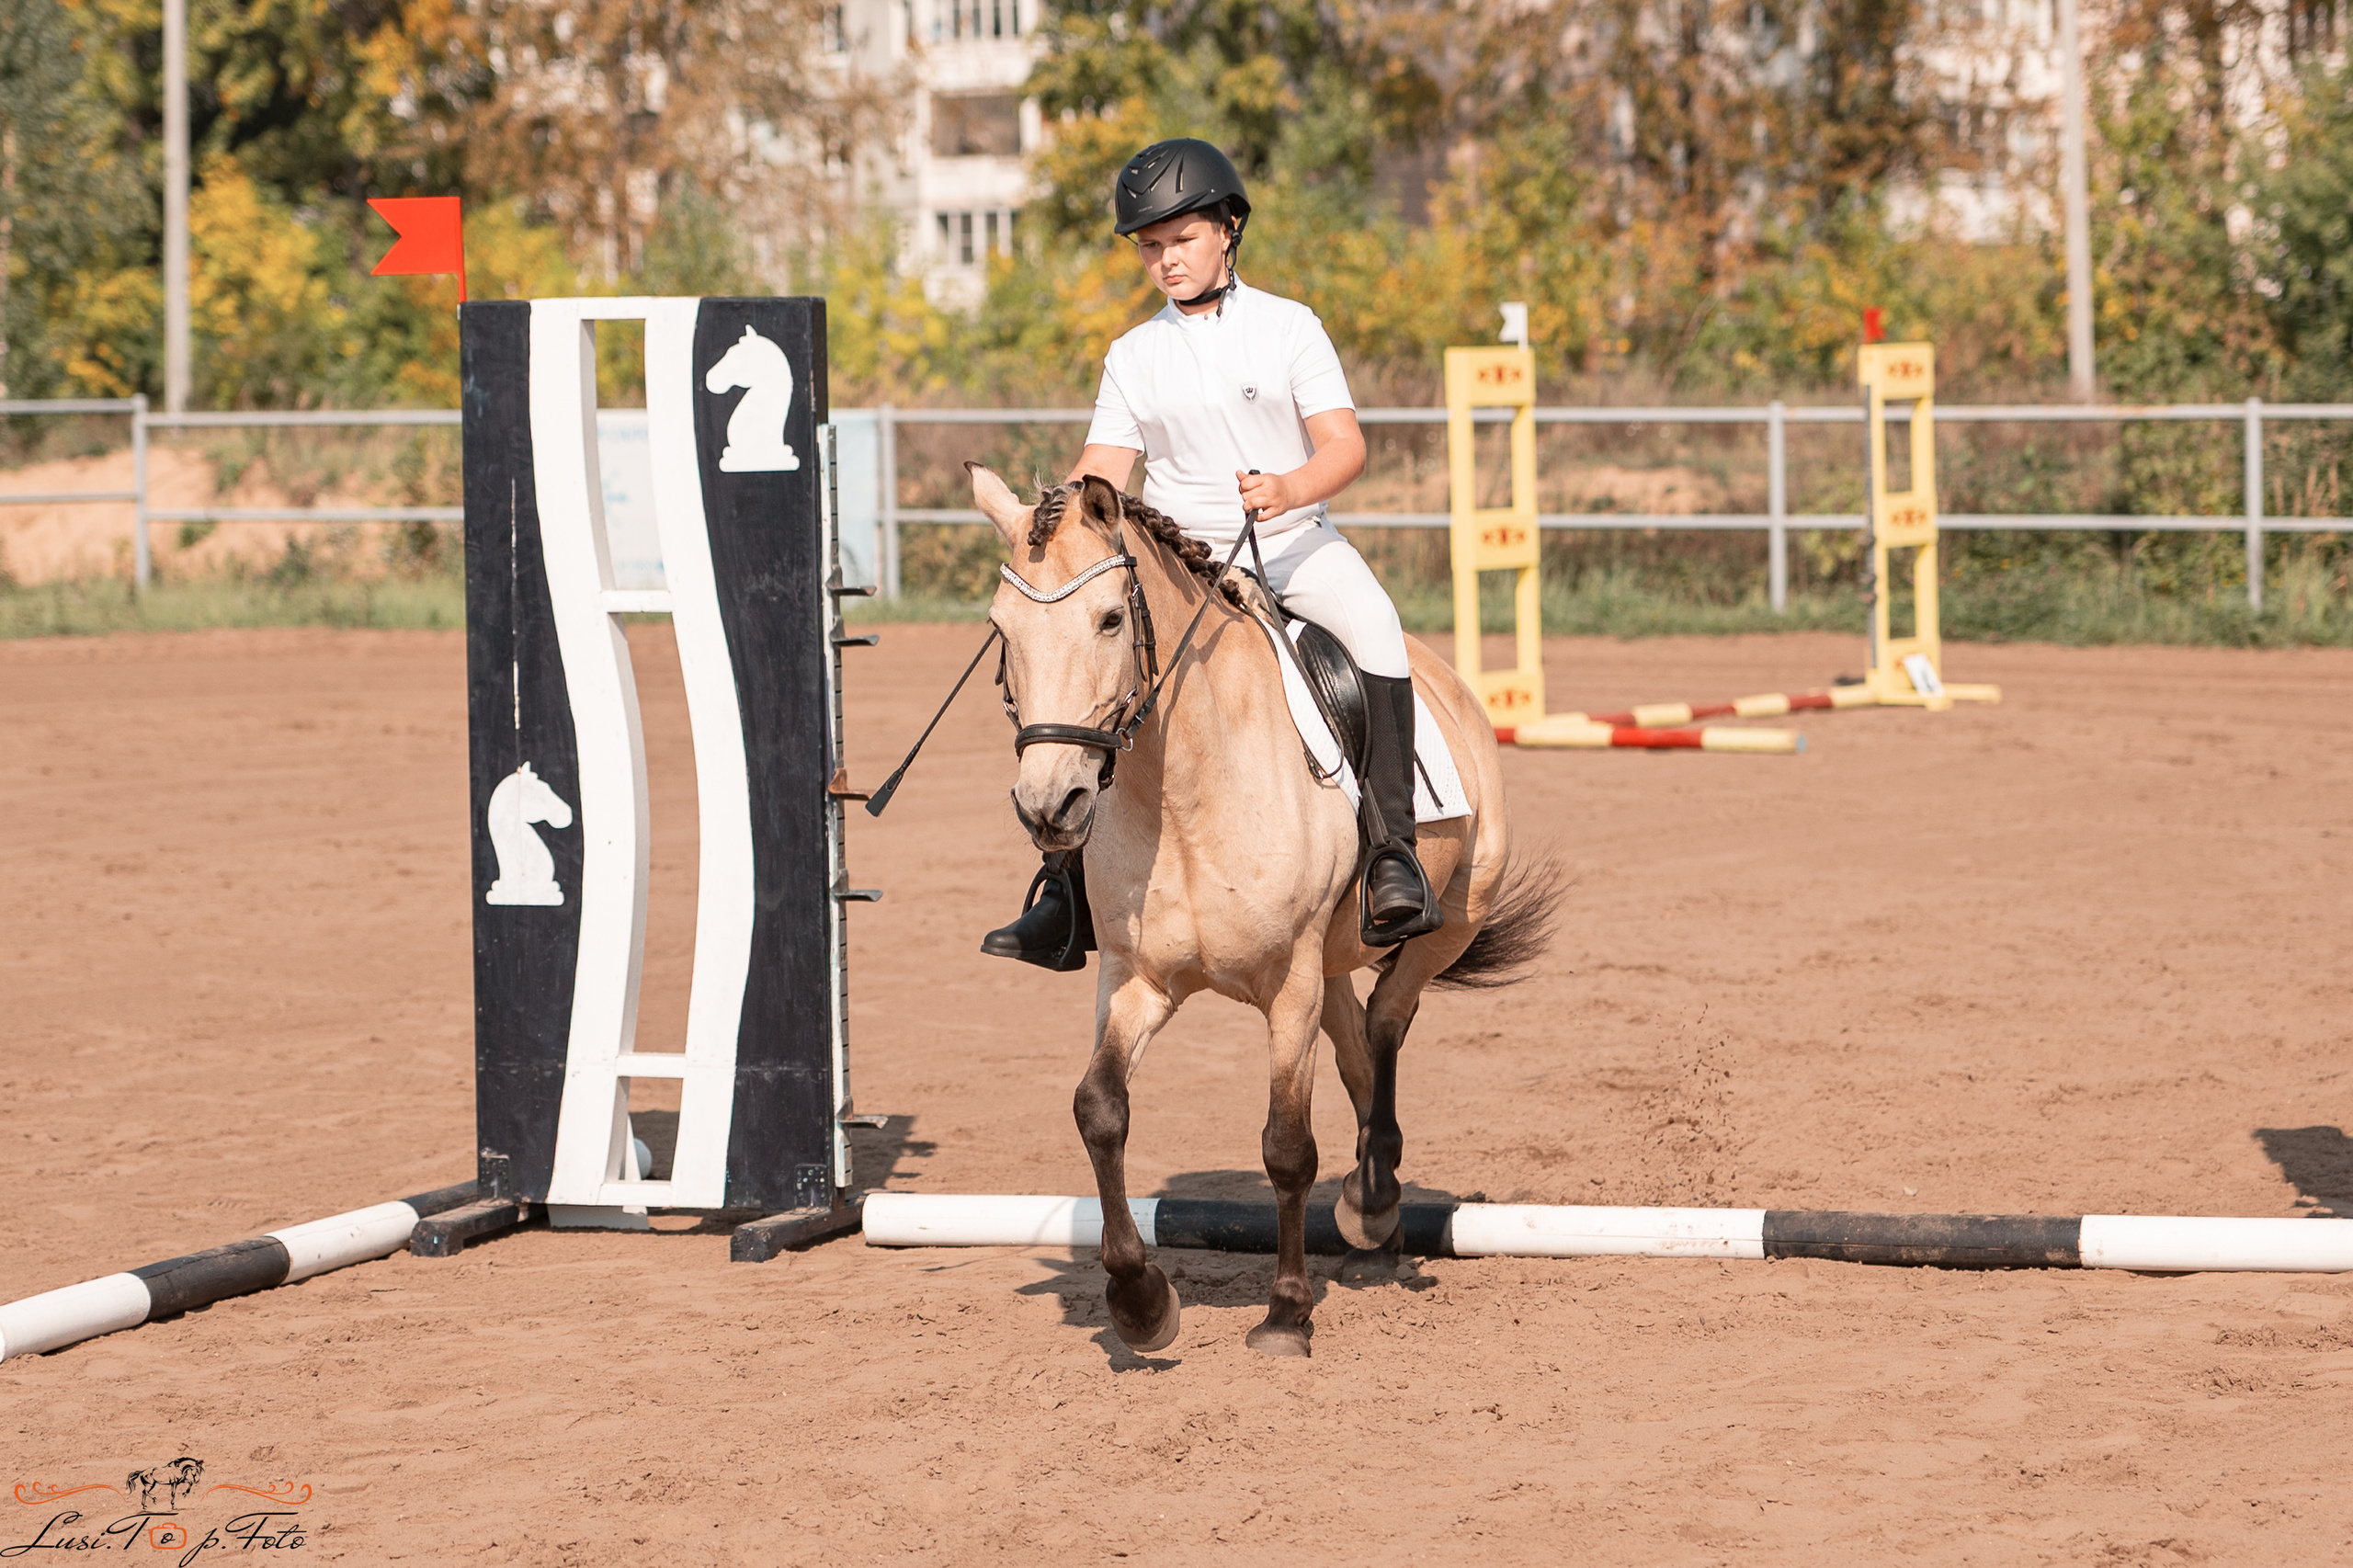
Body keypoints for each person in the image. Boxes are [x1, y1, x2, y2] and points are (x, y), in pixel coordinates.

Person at [984, 137, 1442, 970]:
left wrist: (1293, 488)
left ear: (1228, 229)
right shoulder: (1133, 354)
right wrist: (1042, 525)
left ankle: (1391, 854)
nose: (1164, 261)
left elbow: (1345, 446)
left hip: (1293, 541)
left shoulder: (1290, 327)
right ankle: (1064, 888)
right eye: (1150, 248)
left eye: (1181, 241)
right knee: (1089, 665)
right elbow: (1105, 471)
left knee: (1376, 622)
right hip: (1180, 560)